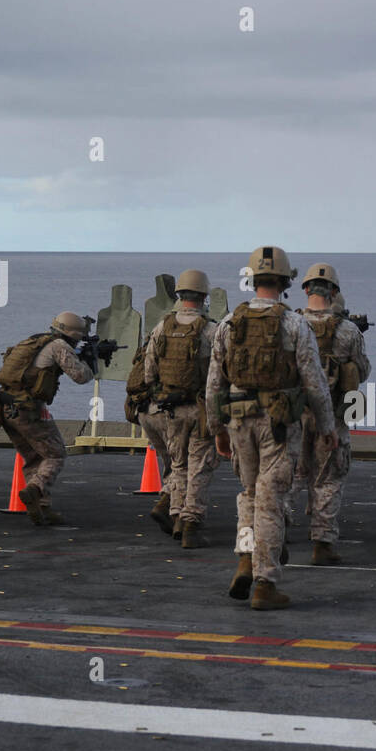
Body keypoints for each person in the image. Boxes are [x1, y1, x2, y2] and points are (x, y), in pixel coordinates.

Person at [206, 246, 337, 610]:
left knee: (249, 493)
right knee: (271, 499)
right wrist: (327, 426)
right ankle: (265, 581)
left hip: (238, 420)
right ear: (285, 282)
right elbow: (314, 382)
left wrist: (217, 427)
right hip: (278, 425)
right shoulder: (294, 324)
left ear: (252, 279)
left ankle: (246, 558)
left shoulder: (229, 324)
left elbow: (213, 383)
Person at [290, 263, 370, 565]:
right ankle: (322, 542)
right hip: (333, 417)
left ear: (306, 289)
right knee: (329, 478)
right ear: (334, 292)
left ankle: (278, 526)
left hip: (295, 414)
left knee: (292, 475)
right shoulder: (348, 331)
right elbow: (361, 371)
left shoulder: (291, 324)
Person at [0, 312, 95, 525]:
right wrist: (91, 362)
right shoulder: (59, 346)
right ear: (72, 334)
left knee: (35, 458)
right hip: (29, 409)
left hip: (7, 407)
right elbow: (81, 376)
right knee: (56, 454)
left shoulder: (36, 341)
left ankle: (41, 508)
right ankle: (35, 489)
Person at [140, 270, 219, 547]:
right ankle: (191, 524)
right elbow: (218, 376)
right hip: (200, 409)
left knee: (178, 464)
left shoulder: (162, 327)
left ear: (180, 295)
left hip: (169, 409)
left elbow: (148, 373)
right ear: (203, 296)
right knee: (200, 466)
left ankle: (175, 515)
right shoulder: (211, 330)